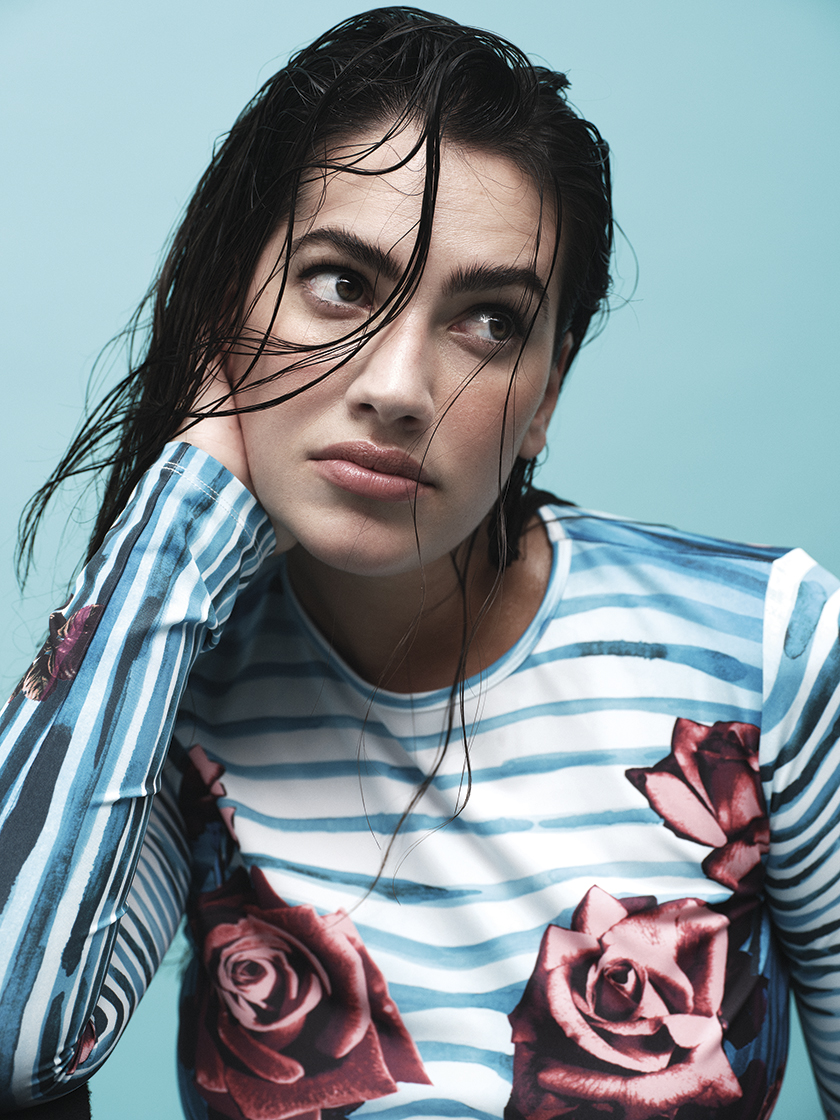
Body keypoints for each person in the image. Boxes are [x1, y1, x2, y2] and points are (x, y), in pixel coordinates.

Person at [1, 7, 838, 1119]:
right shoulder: (177, 674)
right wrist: (177, 524)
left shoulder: (765, 646)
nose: (397, 386)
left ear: (545, 392)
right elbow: (13, 1048)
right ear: (222, 308)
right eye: (342, 284)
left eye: (489, 320)